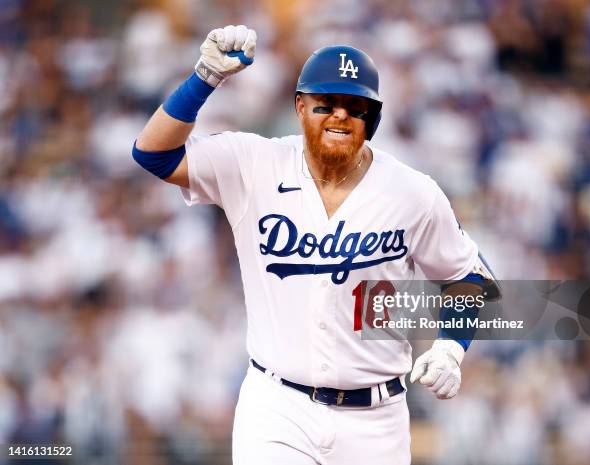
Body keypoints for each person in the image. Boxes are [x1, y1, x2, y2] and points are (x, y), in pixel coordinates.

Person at [133, 24, 498, 465]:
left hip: (376, 420)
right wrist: (203, 79)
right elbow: (154, 154)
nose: (340, 116)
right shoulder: (255, 164)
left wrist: (450, 347)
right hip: (277, 407)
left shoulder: (412, 192)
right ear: (300, 107)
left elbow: (470, 278)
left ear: (373, 118)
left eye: (355, 106)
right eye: (326, 103)